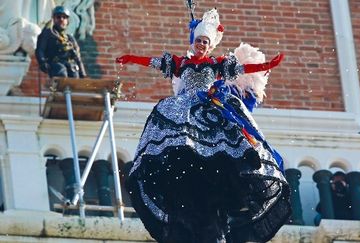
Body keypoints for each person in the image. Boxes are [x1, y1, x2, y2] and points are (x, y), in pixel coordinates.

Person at [116, 8, 291, 243]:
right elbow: (152, 62)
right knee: (180, 134)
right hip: (185, 109)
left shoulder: (218, 64)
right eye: (198, 40)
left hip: (210, 107)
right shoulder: (180, 63)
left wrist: (268, 64)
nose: (201, 45)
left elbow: (244, 69)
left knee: (227, 136)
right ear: (193, 41)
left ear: (210, 46)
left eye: (205, 42)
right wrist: (130, 58)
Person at [35, 6, 86, 79]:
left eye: (64, 17)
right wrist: (42, 63)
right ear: (54, 19)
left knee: (75, 77)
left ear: (67, 20)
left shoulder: (70, 38)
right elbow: (40, 50)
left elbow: (77, 57)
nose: (61, 19)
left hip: (70, 65)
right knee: (61, 73)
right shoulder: (47, 34)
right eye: (58, 17)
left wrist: (82, 73)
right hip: (56, 64)